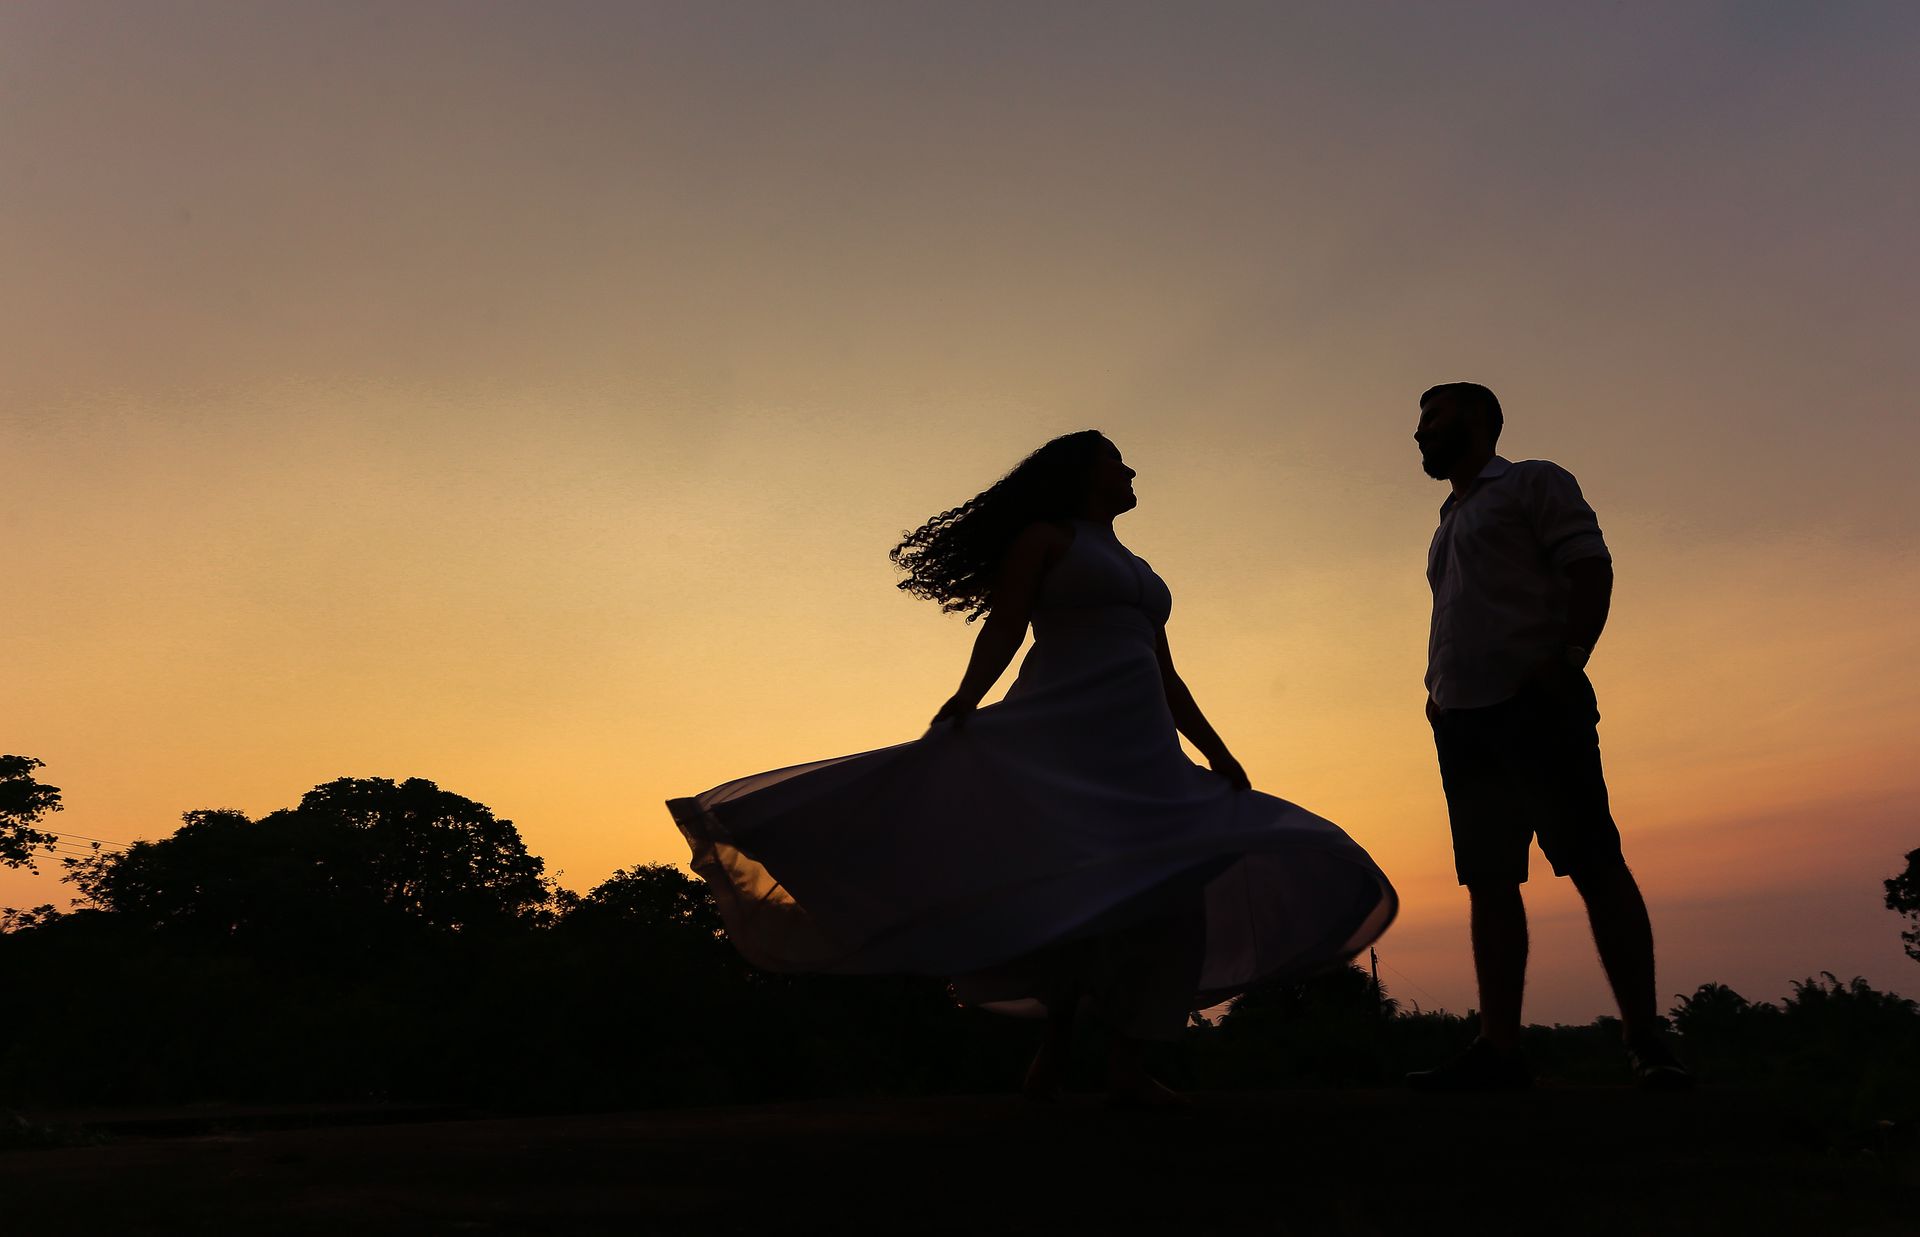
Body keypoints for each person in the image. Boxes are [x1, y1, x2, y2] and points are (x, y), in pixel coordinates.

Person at [668, 430, 1397, 1105]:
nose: (1131, 469)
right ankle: (1056, 1048)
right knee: (1072, 883)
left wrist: (1215, 749)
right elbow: (1008, 623)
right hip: (1062, 730)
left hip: (1142, 748)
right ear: (1082, 474)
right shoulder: (1046, 538)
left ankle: (1126, 1059)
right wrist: (966, 697)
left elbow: (1165, 672)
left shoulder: (1141, 571)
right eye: (1115, 459)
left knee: (1167, 889)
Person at [1406, 383, 1691, 1092]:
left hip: (1535, 705)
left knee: (1593, 861)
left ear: (1477, 419)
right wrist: (1437, 696)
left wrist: (1568, 658)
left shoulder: (1532, 481)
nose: (1420, 432)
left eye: (1434, 418)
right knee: (1489, 880)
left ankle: (1645, 1038)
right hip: (1462, 719)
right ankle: (1499, 1049)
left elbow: (1590, 567)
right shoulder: (1449, 519)